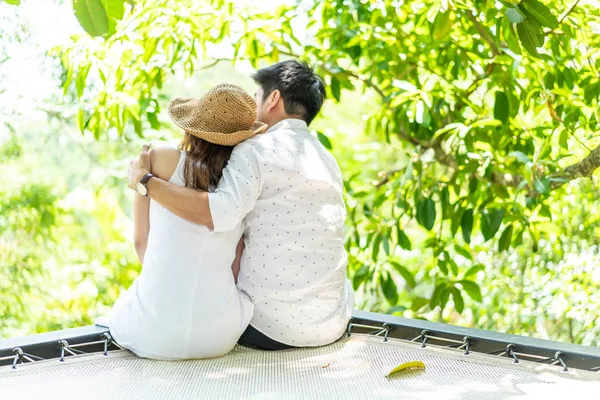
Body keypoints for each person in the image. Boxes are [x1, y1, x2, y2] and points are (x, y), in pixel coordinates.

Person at [128, 60, 354, 350]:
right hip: (333, 323)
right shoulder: (326, 158)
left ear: (273, 99)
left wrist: (145, 181)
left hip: (271, 329)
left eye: (258, 97)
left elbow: (216, 213)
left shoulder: (256, 150)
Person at [109, 84, 267, 360]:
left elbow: (140, 241)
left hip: (151, 333)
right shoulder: (243, 185)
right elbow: (236, 261)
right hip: (220, 336)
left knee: (124, 308)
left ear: (191, 129)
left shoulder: (160, 160)